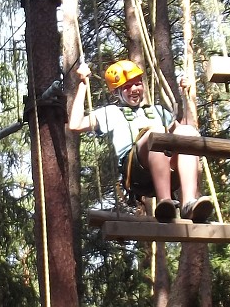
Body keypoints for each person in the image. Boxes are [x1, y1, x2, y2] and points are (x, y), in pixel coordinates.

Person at [68, 60, 213, 223]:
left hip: (166, 169)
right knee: (155, 134)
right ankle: (165, 202)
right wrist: (83, 84)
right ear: (116, 92)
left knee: (186, 132)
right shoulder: (111, 112)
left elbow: (188, 134)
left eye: (137, 83)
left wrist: (187, 97)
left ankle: (188, 203)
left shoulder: (157, 111)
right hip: (136, 171)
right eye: (127, 86)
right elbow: (75, 125)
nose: (134, 89)